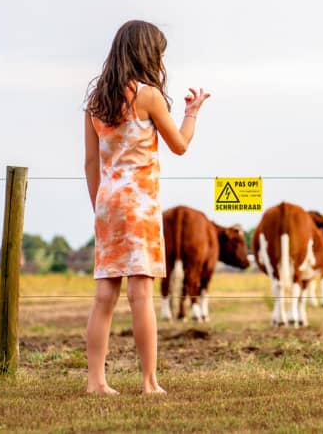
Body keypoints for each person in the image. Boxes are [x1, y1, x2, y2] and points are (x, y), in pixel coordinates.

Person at [83, 20, 210, 395]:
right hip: (139, 204)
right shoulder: (148, 95)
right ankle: (149, 381)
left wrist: (100, 206)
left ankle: (96, 382)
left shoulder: (96, 101)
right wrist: (192, 113)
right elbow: (180, 145)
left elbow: (91, 164)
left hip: (107, 202)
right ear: (147, 54)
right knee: (141, 294)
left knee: (104, 295)